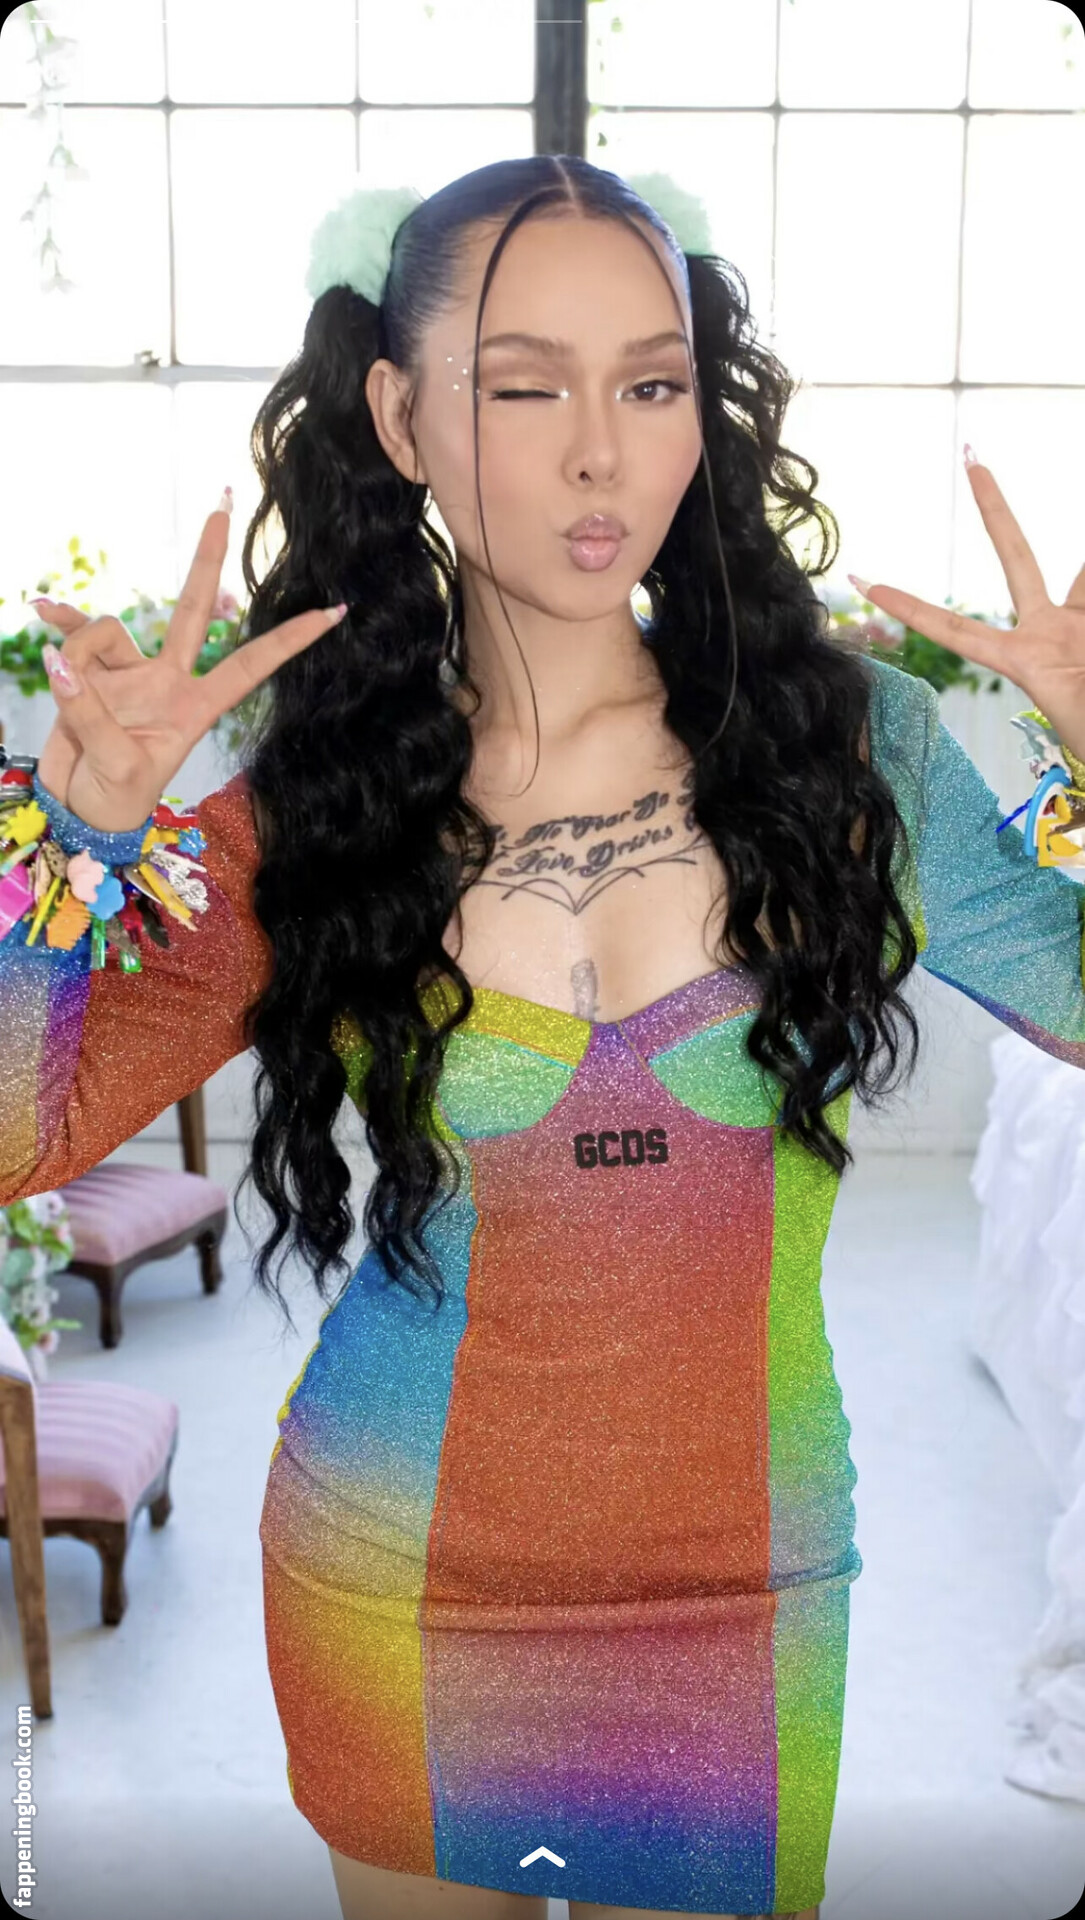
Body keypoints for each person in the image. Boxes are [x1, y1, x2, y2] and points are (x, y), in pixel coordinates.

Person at [2, 153, 1085, 1920]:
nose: (601, 455)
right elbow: (19, 1136)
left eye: (650, 385)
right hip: (390, 1584)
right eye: (524, 388)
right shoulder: (322, 806)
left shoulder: (848, 752)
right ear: (400, 416)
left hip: (737, 1609)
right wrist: (82, 837)